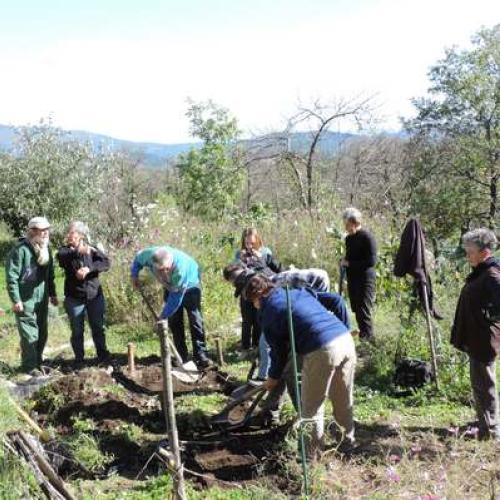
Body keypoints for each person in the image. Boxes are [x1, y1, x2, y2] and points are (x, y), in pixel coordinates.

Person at [244, 274, 356, 457]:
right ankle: (347, 445)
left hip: (322, 349)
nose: (254, 306)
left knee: (311, 408)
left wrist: (272, 377)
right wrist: (344, 327)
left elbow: (278, 352)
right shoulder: (296, 292)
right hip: (345, 340)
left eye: (252, 301)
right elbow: (336, 300)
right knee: (343, 399)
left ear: (258, 296)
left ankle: (311, 458)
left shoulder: (269, 311)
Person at [451, 228, 500, 442]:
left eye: (470, 251)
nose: (467, 255)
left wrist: (489, 320)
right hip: (477, 338)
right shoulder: (482, 271)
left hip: (484, 339)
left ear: (484, 251)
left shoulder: (492, 274)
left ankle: (491, 431)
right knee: (479, 384)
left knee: (484, 386)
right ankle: (485, 424)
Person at [131, 245, 211, 368]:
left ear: (171, 263)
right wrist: (134, 275)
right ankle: (181, 356)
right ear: (153, 263)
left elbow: (175, 299)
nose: (164, 273)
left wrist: (162, 317)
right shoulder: (149, 255)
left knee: (195, 320)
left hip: (190, 285)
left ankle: (201, 355)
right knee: (175, 322)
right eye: (161, 270)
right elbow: (137, 260)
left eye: (167, 269)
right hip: (171, 288)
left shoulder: (180, 269)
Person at [5, 217, 58, 374]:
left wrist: (53, 293)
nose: (46, 233)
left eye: (47, 229)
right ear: (33, 231)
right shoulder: (21, 250)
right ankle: (29, 366)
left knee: (42, 332)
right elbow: (11, 277)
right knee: (29, 334)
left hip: (42, 298)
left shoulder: (46, 249)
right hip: (25, 299)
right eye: (43, 230)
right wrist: (16, 300)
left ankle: (38, 362)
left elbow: (50, 275)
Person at [57, 221, 111, 367]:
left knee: (98, 327)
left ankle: (103, 356)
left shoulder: (91, 248)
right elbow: (63, 257)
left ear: (80, 235)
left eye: (72, 232)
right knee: (77, 330)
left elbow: (106, 263)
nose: (69, 235)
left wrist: (89, 269)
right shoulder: (64, 251)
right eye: (68, 232)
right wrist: (78, 250)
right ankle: (79, 359)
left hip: (94, 296)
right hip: (74, 298)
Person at [233, 228, 282, 356]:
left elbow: (276, 269)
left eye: (252, 243)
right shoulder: (239, 254)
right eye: (247, 242)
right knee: (246, 320)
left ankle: (257, 346)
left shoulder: (265, 252)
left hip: (261, 290)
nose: (249, 246)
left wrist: (259, 259)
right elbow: (235, 273)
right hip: (246, 292)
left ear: (257, 240)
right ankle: (245, 347)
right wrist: (241, 261)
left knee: (259, 319)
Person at [341, 207, 377, 341]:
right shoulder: (349, 239)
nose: (346, 227)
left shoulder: (367, 237)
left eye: (347, 224)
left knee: (364, 310)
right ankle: (363, 336)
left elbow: (371, 261)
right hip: (353, 279)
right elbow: (350, 258)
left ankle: (369, 340)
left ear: (355, 222)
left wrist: (350, 264)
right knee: (356, 308)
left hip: (366, 279)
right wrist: (344, 261)